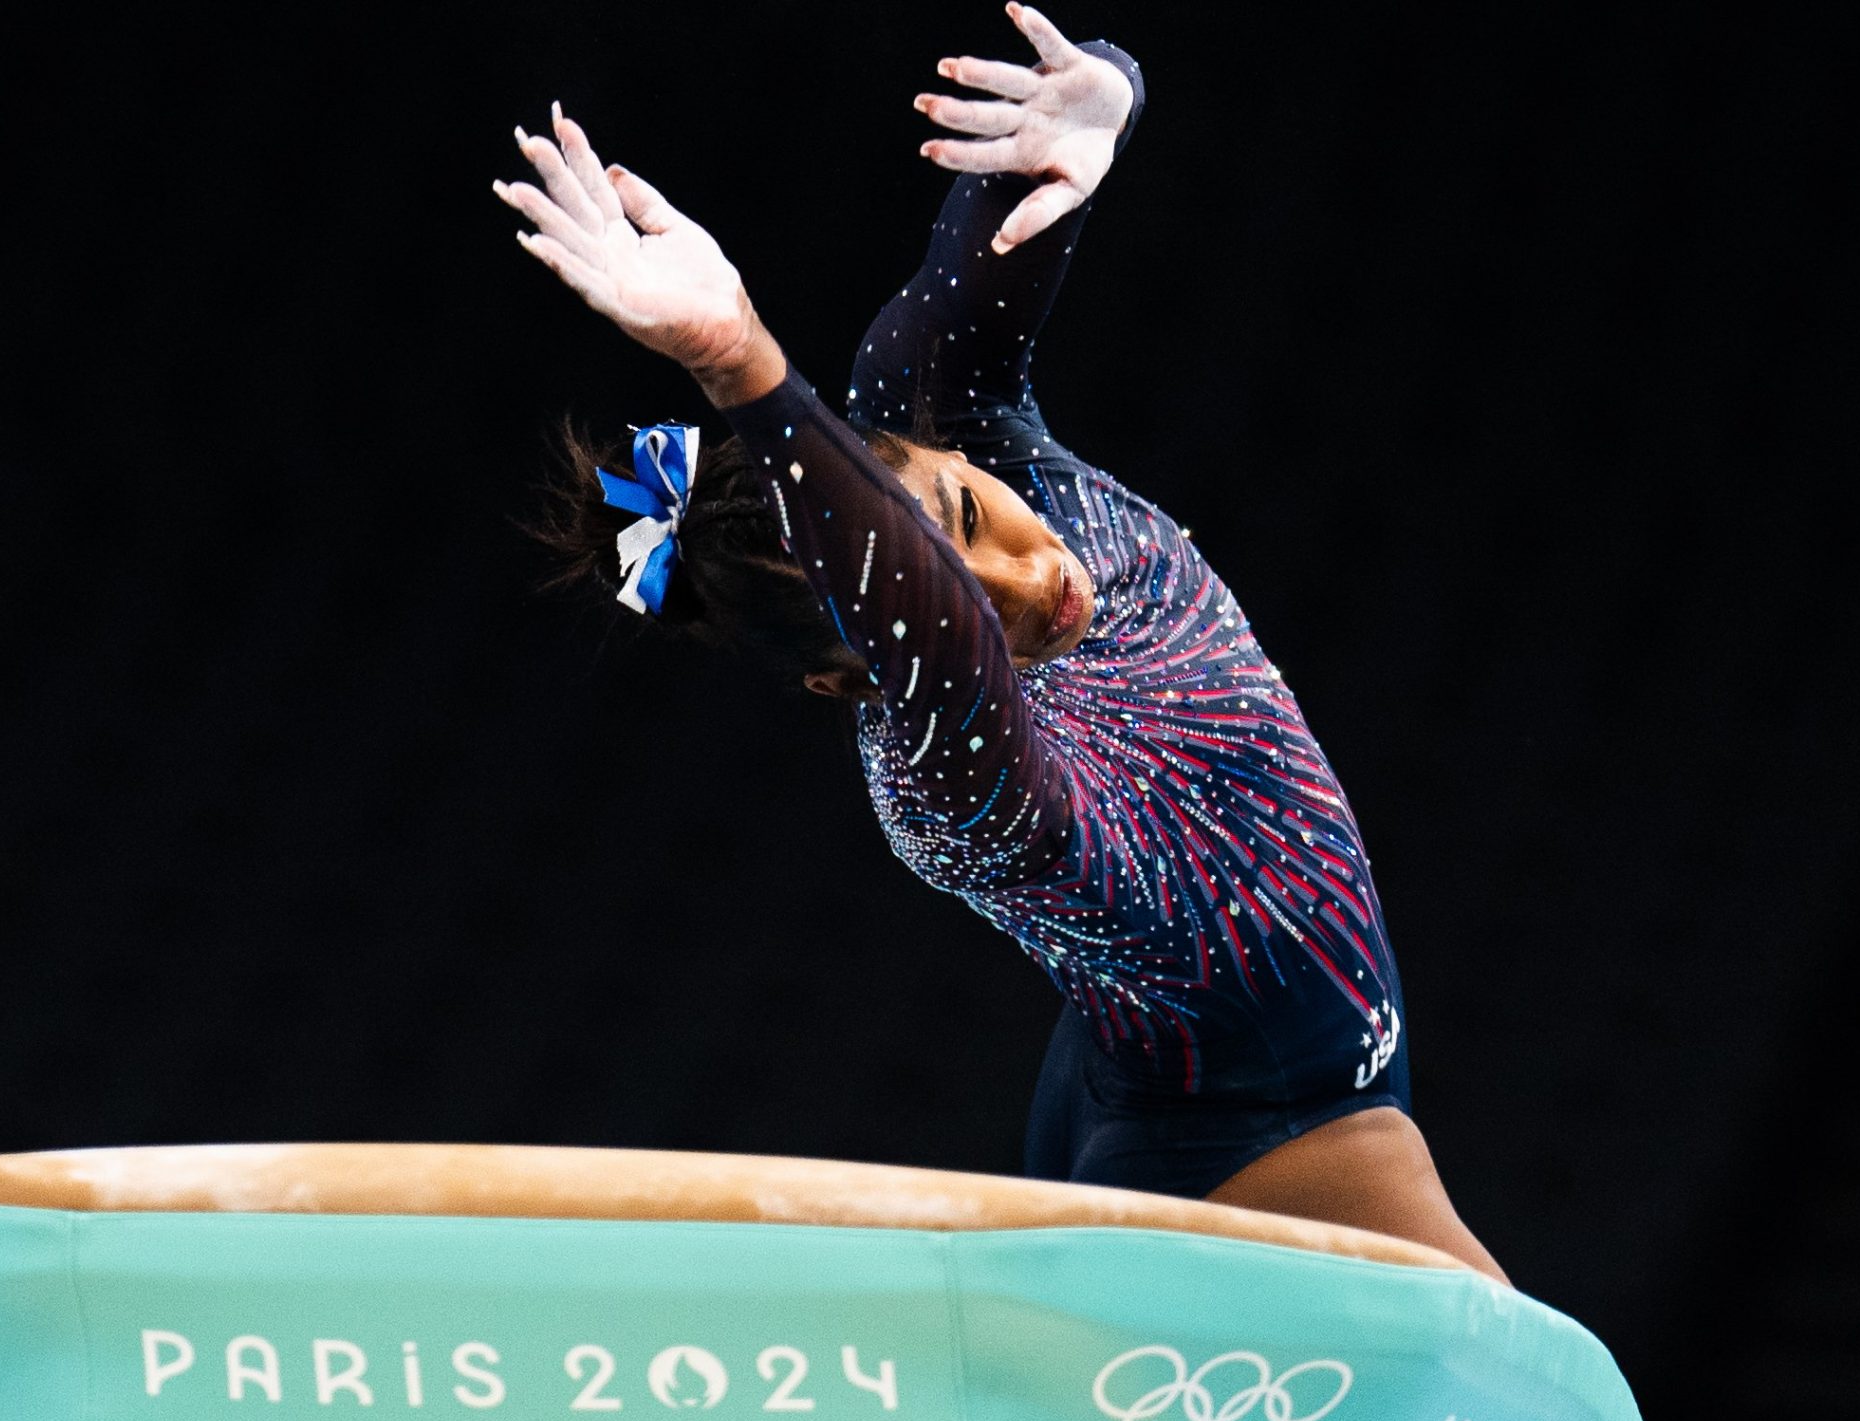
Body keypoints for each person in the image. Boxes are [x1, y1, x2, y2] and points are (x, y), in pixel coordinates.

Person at [497, 3, 1504, 1283]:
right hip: (1256, 1123)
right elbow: (936, 628)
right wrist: (737, 360)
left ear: (933, 449)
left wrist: (1099, 105)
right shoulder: (946, 780)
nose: (1032, 580)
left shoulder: (938, 410)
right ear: (850, 675)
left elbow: (1024, 193)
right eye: (961, 590)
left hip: (1213, 1045)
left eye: (973, 512)